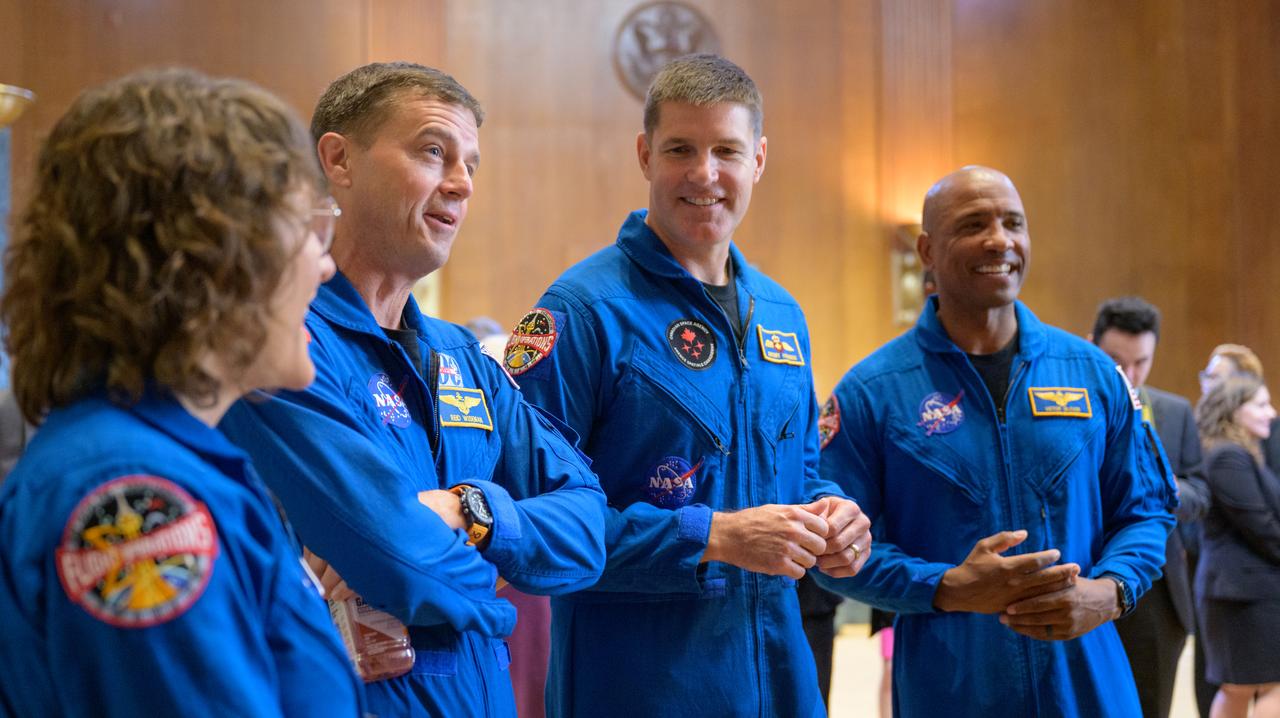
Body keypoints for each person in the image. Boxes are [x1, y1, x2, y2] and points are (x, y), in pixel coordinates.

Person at [218, 62, 607, 717]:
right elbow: (403, 563)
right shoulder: (280, 347)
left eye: (471, 165)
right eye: (433, 152)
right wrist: (501, 576)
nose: (460, 184)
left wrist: (470, 512)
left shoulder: (464, 358)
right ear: (338, 161)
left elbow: (590, 528)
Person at [509, 54, 871, 717]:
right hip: (638, 690)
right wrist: (713, 536)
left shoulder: (783, 314)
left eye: (726, 150)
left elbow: (802, 473)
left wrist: (834, 515)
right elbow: (534, 525)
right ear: (645, 155)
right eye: (681, 149)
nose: (705, 174)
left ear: (758, 159)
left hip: (780, 681)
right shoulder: (581, 311)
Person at [0, 68, 361, 716]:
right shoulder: (133, 500)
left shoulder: (166, 458)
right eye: (303, 228)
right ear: (202, 258)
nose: (323, 262)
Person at [818, 166, 1177, 717]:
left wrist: (1110, 591)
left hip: (1088, 691)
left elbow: (1148, 509)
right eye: (973, 224)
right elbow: (833, 551)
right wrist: (945, 586)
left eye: (1014, 223)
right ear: (927, 251)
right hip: (953, 692)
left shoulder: (1092, 373)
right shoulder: (873, 393)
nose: (1000, 240)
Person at [1091, 296, 1210, 718]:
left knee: (1151, 706)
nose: (1130, 373)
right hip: (1086, 577)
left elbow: (1201, 491)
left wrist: (1162, 489)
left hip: (1159, 591)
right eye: (1116, 360)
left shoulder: (1175, 412)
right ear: (1092, 345)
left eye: (1142, 361)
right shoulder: (1069, 408)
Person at [1193, 374, 1280, 718]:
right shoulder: (1228, 457)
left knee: (1241, 688)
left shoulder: (1243, 453)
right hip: (1243, 594)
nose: (1271, 413)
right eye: (1260, 405)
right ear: (1233, 411)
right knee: (1268, 685)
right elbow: (1262, 528)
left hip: (1247, 591)